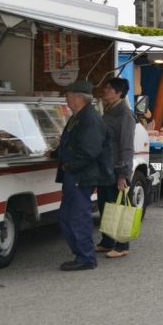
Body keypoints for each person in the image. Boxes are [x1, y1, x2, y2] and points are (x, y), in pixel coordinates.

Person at [55, 80, 113, 271]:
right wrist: (56, 154)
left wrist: (70, 165)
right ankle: (81, 254)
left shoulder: (89, 119)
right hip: (75, 174)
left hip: (80, 175)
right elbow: (72, 143)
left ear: (79, 98)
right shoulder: (78, 116)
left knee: (77, 217)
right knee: (66, 216)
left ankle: (86, 258)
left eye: (68, 96)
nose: (66, 99)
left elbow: (90, 150)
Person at [94, 77, 136, 259]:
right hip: (104, 167)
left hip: (116, 168)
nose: (105, 90)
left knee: (117, 206)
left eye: (109, 88)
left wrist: (123, 174)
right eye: (106, 87)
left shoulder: (124, 114)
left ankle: (122, 244)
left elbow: (126, 146)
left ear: (119, 93)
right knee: (105, 205)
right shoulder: (108, 110)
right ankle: (107, 240)